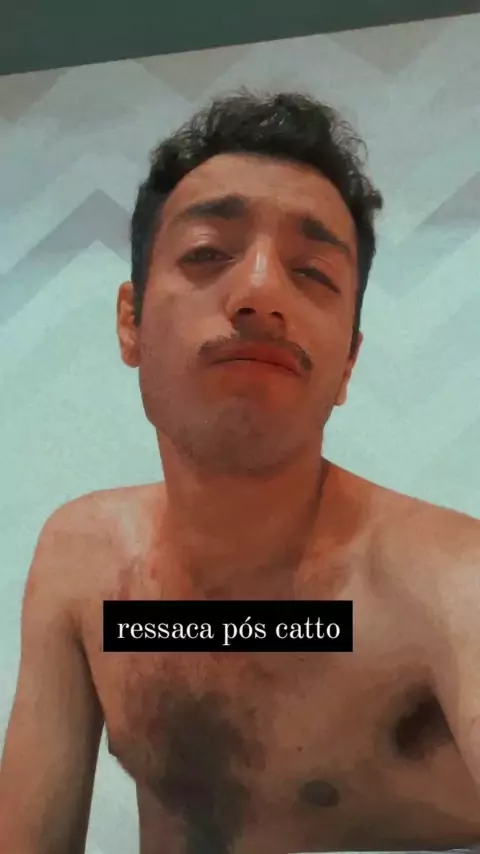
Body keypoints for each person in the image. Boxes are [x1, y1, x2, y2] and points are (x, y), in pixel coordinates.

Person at [0, 89, 479, 854]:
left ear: (348, 362)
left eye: (313, 272)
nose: (260, 292)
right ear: (131, 321)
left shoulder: (449, 586)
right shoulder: (82, 563)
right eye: (206, 253)